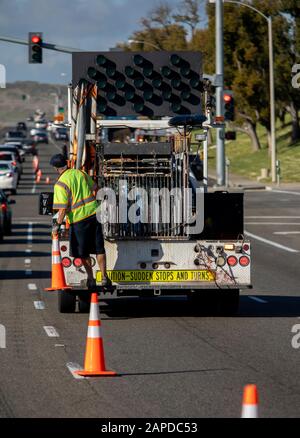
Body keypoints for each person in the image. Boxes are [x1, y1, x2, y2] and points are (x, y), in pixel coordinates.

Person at [50, 153, 111, 289]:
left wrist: (57, 226)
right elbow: (95, 188)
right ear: (66, 163)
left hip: (78, 221)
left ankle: (91, 278)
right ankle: (104, 277)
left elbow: (62, 209)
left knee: (83, 253)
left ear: (55, 168)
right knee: (99, 248)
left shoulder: (60, 184)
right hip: (94, 215)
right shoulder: (80, 173)